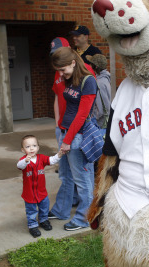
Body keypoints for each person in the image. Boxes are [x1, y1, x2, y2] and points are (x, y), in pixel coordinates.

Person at [49, 47, 97, 231]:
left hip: (77, 137)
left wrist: (67, 141)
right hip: (66, 133)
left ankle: (84, 218)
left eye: (63, 70)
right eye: (58, 71)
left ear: (73, 63)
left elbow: (82, 115)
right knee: (66, 176)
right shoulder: (71, 79)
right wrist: (61, 133)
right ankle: (62, 211)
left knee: (83, 181)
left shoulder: (88, 81)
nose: (61, 74)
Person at [17, 135, 63, 238]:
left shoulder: (41, 158)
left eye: (34, 145)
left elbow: (51, 160)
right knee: (31, 210)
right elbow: (19, 166)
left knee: (44, 207)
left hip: (41, 192)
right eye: (28, 147)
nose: (31, 148)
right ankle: (33, 225)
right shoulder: (23, 161)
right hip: (29, 194)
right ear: (23, 150)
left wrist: (59, 155)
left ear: (38, 147)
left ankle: (43, 220)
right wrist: (25, 161)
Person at [86, 54, 111, 134]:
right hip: (102, 124)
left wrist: (92, 119)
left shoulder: (100, 83)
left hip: (100, 125)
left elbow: (102, 108)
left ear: (96, 66)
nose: (90, 65)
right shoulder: (105, 79)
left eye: (91, 63)